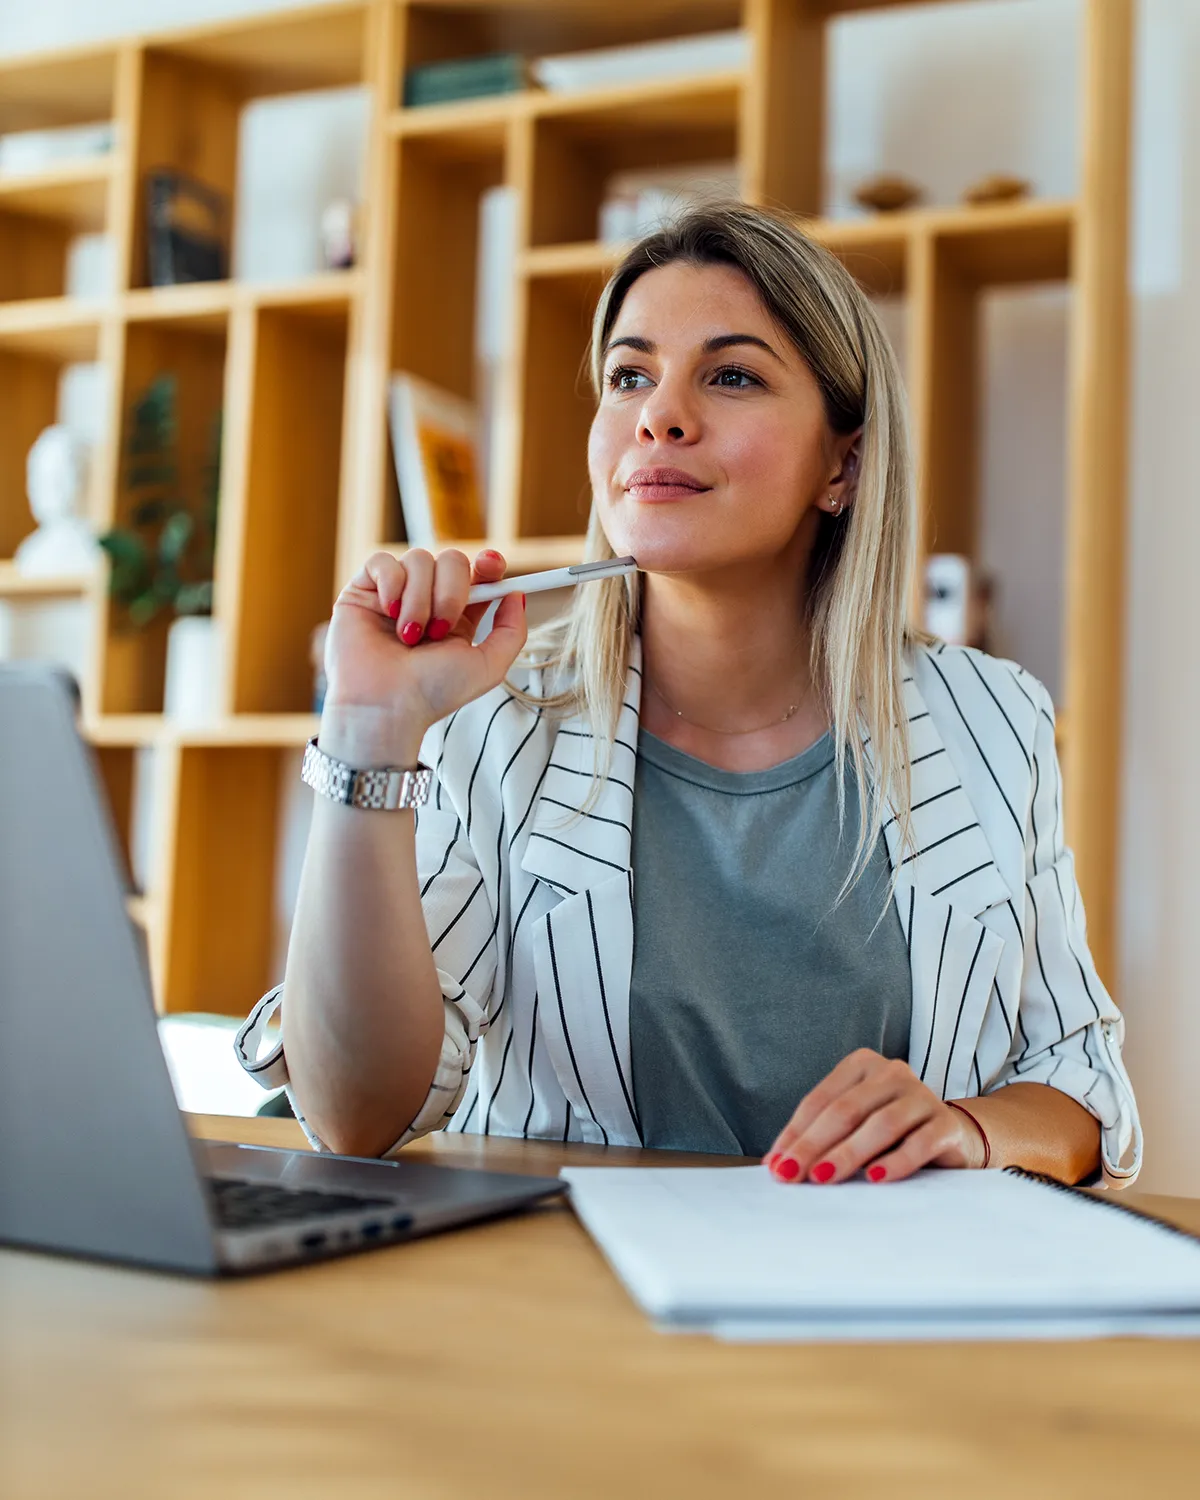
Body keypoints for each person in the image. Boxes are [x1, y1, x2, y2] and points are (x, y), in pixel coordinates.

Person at [235, 203, 1140, 1189]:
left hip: (890, 1322)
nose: (658, 414)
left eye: (733, 375)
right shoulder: (492, 728)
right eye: (630, 376)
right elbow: (355, 1113)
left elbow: (1080, 1089)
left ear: (842, 463)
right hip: (562, 1315)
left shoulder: (996, 719)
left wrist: (966, 1129)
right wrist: (368, 728)